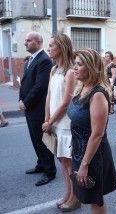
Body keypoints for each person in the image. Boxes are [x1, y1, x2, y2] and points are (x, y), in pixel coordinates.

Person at [67, 48, 116, 214]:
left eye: (80, 64)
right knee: (90, 197)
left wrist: (84, 165)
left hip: (93, 155)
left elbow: (97, 134)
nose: (75, 67)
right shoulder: (82, 87)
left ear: (91, 67)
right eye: (75, 63)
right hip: (80, 151)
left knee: (95, 199)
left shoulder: (97, 94)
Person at [41, 33, 80, 211]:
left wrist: (51, 121)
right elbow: (49, 95)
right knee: (62, 162)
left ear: (61, 48)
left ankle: (75, 197)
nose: (48, 48)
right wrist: (46, 119)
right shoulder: (53, 69)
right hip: (54, 122)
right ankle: (68, 193)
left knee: (69, 163)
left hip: (65, 124)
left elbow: (66, 103)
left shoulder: (71, 71)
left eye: (51, 45)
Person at [19, 31, 56, 186]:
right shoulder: (31, 60)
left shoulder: (44, 60)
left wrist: (25, 102)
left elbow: (40, 86)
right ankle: (41, 164)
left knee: (43, 140)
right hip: (30, 108)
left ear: (37, 42)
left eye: (28, 40)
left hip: (38, 108)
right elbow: (26, 82)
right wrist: (21, 99)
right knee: (35, 139)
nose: (25, 43)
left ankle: (49, 171)